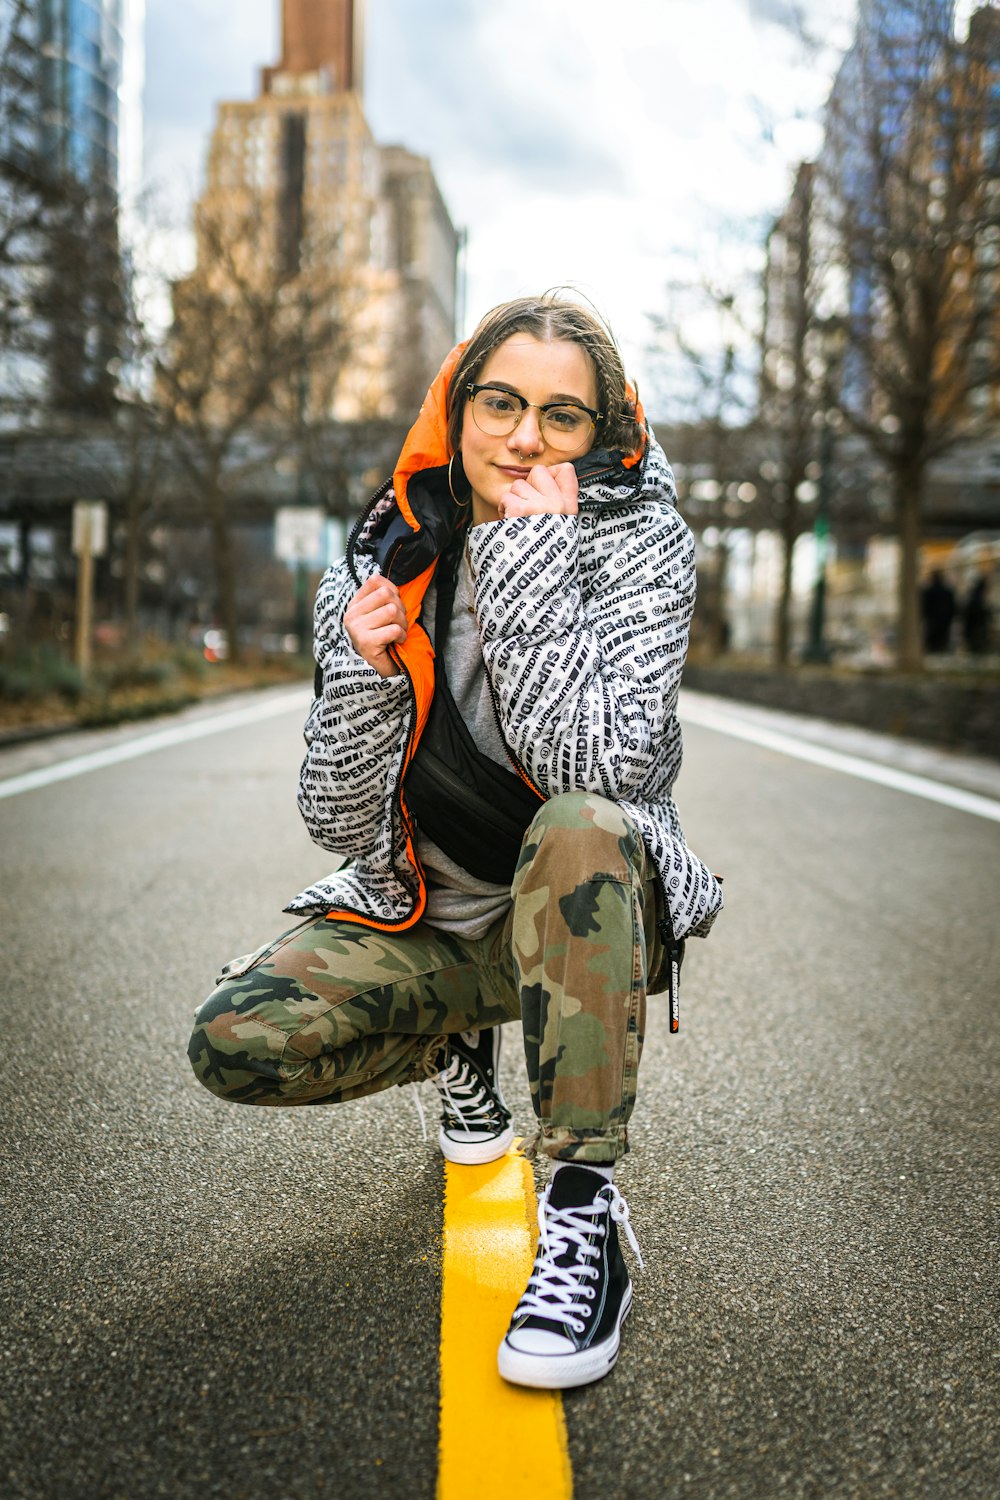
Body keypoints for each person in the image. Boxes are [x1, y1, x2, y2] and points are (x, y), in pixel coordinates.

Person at [187, 294, 724, 1390]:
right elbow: (337, 820)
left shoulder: (645, 550)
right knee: (235, 1038)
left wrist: (528, 560)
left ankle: (580, 1217)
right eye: (501, 403)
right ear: (457, 405)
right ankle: (458, 1040)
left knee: (578, 825)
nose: (524, 437)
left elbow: (597, 774)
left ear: (603, 435)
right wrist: (365, 678)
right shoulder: (386, 546)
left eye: (561, 417)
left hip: (585, 910)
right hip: (427, 914)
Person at [920, 569, 956, 654]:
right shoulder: (948, 592)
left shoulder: (929, 592)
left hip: (933, 623)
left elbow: (925, 608)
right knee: (942, 644)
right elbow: (953, 608)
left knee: (933, 646)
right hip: (944, 623)